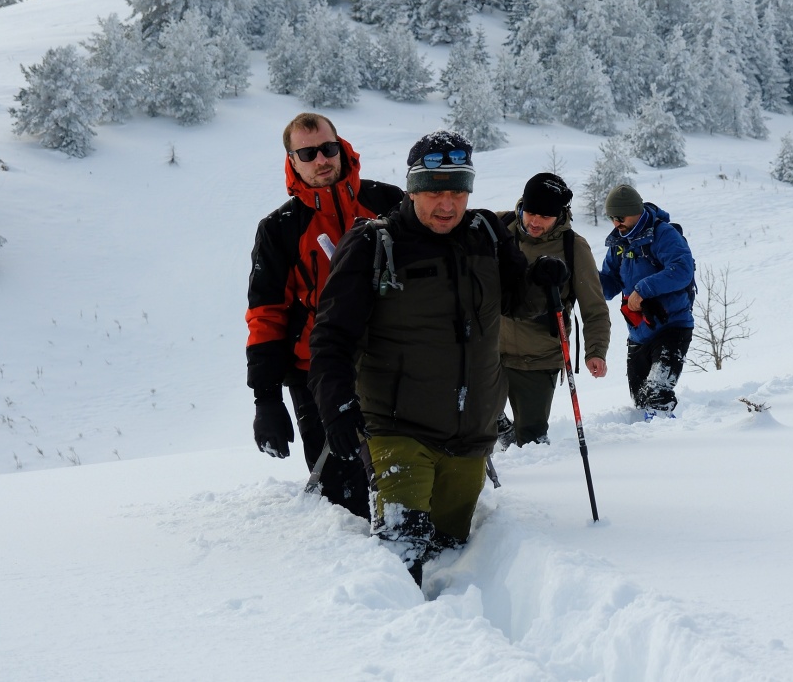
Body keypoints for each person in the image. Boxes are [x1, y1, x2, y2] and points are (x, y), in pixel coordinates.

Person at [308, 131, 528, 585]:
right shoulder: (374, 244)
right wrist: (336, 402)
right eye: (433, 192)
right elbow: (331, 336)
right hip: (397, 427)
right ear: (411, 189)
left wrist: (543, 282)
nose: (446, 204)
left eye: (457, 191)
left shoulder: (487, 234)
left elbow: (521, 304)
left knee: (451, 546)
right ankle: (400, 642)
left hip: (471, 433)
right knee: (402, 548)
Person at [243, 112, 402, 519]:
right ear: (292, 161)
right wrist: (266, 399)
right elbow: (266, 314)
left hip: (395, 361)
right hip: (314, 372)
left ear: (340, 146)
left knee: (404, 481)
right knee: (345, 504)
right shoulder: (279, 229)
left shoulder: (390, 202)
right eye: (308, 153)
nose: (321, 160)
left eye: (328, 148)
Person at [496, 173, 611, 446]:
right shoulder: (499, 227)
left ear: (560, 213)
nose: (535, 222)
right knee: (474, 419)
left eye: (545, 216)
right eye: (531, 212)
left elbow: (594, 306)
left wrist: (596, 351)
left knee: (532, 437)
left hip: (538, 358)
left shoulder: (573, 248)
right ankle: (501, 431)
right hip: (490, 351)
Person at [599, 183, 697, 419]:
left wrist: (643, 290)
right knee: (642, 400)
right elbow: (609, 285)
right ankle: (652, 443)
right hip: (639, 333)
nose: (616, 222)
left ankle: (669, 447)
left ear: (637, 211)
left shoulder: (662, 234)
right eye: (612, 217)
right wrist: (581, 280)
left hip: (672, 325)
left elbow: (683, 269)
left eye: (621, 216)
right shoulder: (618, 244)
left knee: (657, 394)